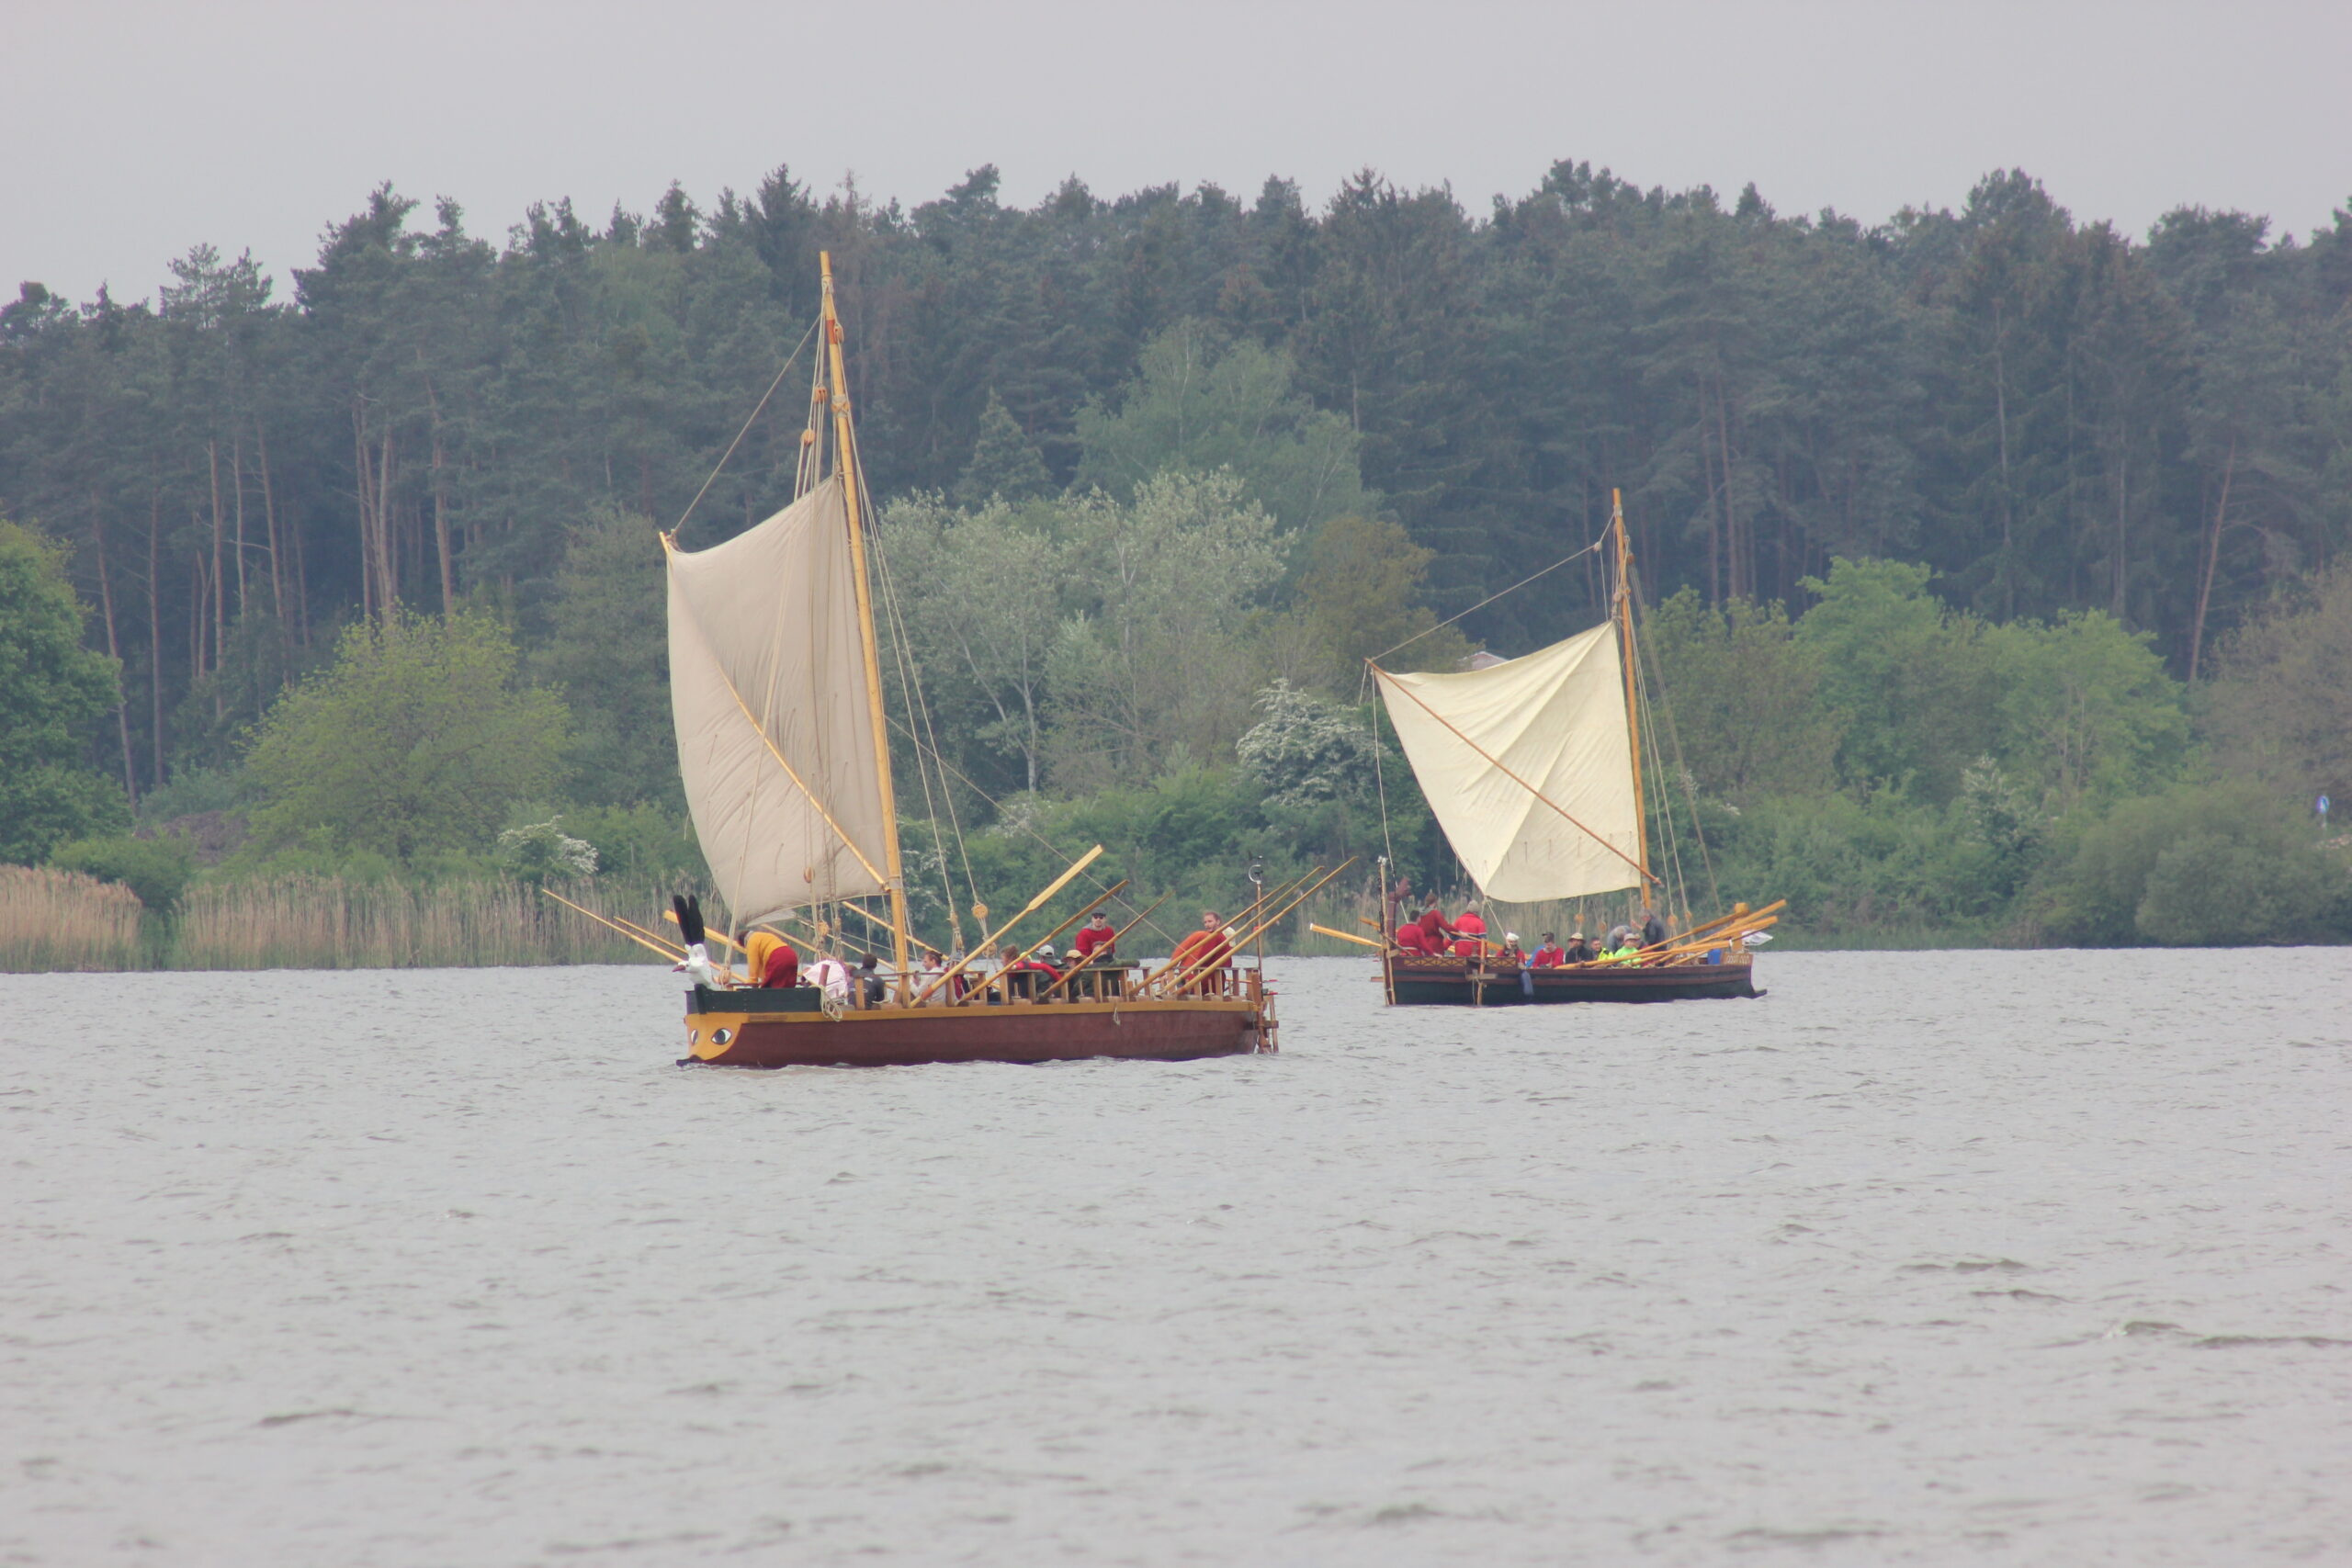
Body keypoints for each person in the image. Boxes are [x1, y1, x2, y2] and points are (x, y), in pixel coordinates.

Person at [1170, 910, 1233, 995]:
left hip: (1204, 981)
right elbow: (1228, 963)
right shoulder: (1208, 936)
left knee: (1183, 979)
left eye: (1210, 921)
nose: (1207, 924)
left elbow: (1204, 958)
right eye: (1205, 922)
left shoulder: (1216, 937)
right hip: (1207, 979)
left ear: (1218, 922)